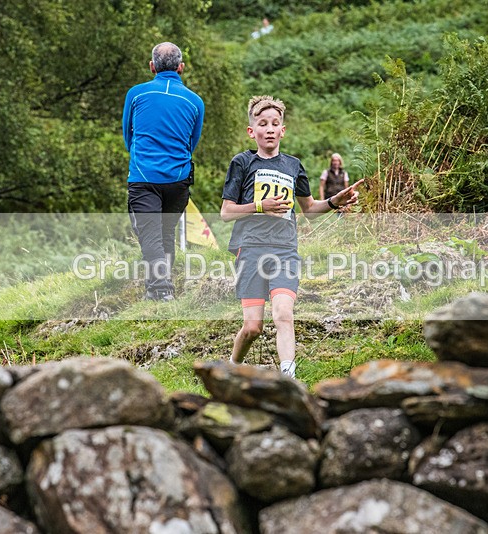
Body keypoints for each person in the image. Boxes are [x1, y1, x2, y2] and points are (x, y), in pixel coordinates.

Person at [221, 95, 363, 379]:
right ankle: (231, 369)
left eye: (275, 123)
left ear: (283, 130)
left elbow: (309, 209)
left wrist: (336, 200)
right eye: (263, 124)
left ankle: (289, 377)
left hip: (285, 249)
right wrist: (261, 206)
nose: (270, 129)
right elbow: (226, 212)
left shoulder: (294, 166)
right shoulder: (242, 163)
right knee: (252, 328)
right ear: (252, 131)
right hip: (250, 249)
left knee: (283, 314)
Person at [123, 42, 205, 301]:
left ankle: (161, 290)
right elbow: (193, 141)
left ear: (151, 66)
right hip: (178, 179)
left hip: (144, 176)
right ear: (181, 68)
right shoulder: (195, 102)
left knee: (150, 234)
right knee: (165, 233)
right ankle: (158, 289)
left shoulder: (136, 94)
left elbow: (128, 136)